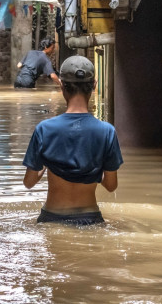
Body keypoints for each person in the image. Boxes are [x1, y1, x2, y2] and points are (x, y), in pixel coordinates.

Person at [22, 55, 123, 225]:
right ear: (94, 85)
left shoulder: (44, 129)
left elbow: (29, 182)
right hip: (91, 219)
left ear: (61, 85)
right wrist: (94, 168)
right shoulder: (107, 132)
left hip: (51, 218)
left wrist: (46, 163)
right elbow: (111, 186)